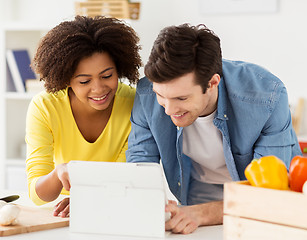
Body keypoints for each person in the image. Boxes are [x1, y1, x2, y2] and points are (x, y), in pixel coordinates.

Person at [126, 23, 301, 234]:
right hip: (195, 202)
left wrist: (200, 214)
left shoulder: (266, 97)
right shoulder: (145, 93)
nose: (168, 109)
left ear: (212, 83)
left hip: (261, 209)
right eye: (161, 95)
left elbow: (267, 194)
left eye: (181, 98)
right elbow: (139, 168)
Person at [26, 16, 142, 217]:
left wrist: (88, 197)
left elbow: (126, 176)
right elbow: (37, 194)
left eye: (107, 76)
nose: (98, 89)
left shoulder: (134, 103)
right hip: (57, 213)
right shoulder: (45, 107)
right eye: (84, 81)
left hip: (113, 207)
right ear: (67, 79)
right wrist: (58, 172)